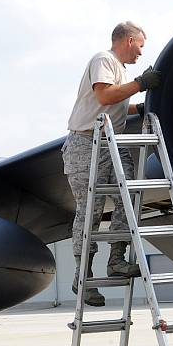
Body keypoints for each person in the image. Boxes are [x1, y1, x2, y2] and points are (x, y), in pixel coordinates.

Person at [62, 21, 162, 307]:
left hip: (110, 143)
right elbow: (104, 95)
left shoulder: (120, 70)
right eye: (140, 45)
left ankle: (117, 258)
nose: (141, 53)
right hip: (86, 144)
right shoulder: (104, 60)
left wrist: (137, 106)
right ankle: (83, 278)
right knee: (89, 210)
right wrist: (141, 84)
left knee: (128, 196)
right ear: (129, 40)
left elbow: (111, 103)